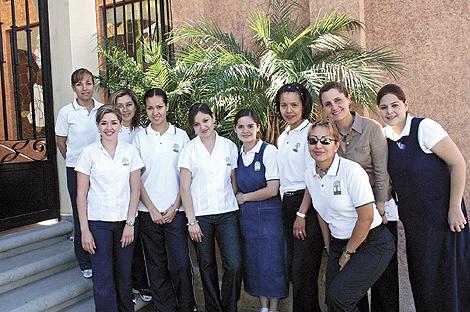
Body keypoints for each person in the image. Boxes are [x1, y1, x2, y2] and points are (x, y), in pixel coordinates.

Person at [376, 84, 470, 312]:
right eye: (384, 107)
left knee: (449, 280)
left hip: (445, 219)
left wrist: (455, 208)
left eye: (395, 105)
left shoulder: (425, 127)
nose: (390, 111)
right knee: (424, 281)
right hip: (416, 225)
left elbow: (458, 163)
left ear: (406, 105)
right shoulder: (385, 137)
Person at [319, 81, 398, 312]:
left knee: (385, 285)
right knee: (352, 288)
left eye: (338, 100)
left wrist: (380, 209)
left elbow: (382, 172)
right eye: (328, 103)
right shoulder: (328, 134)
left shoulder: (371, 128)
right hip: (347, 220)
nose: (334, 107)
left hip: (376, 217)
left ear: (348, 98)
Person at [303, 120, 395, 312]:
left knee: (340, 299)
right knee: (333, 300)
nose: (318, 145)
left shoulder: (351, 171)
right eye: (312, 141)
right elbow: (322, 212)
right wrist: (329, 246)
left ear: (336, 145)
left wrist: (348, 253)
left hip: (371, 242)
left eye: (325, 140)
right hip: (339, 242)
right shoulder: (309, 174)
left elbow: (366, 218)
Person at [133, 88, 197, 312]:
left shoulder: (181, 136)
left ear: (167, 107)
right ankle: (165, 308)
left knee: (179, 264)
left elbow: (186, 178)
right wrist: (150, 208)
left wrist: (176, 205)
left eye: (159, 107)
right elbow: (136, 179)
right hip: (147, 212)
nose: (155, 112)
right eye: (150, 108)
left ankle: (187, 307)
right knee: (156, 267)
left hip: (175, 212)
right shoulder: (139, 138)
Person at [75, 105, 143, 312]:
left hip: (125, 222)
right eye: (104, 123)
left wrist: (130, 223)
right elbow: (81, 195)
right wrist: (85, 231)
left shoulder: (130, 152)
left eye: (114, 123)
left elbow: (135, 189)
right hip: (98, 224)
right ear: (97, 126)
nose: (109, 127)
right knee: (103, 276)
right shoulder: (88, 153)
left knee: (124, 275)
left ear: (121, 125)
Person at [179, 103, 241, 312]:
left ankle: (229, 307)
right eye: (197, 124)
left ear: (213, 119)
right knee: (206, 266)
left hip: (227, 213)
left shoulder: (229, 146)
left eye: (205, 121)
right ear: (193, 128)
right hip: (201, 217)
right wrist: (192, 221)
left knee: (234, 264)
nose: (202, 127)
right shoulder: (189, 150)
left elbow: (233, 182)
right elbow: (185, 188)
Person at [275, 83, 324, 312]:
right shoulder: (282, 137)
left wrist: (302, 214)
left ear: (304, 105)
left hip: (306, 206)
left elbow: (312, 177)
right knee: (297, 275)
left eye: (294, 104)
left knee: (303, 274)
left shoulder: (309, 133)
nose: (289, 110)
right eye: (284, 105)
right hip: (287, 205)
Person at [233, 108, 288, 312]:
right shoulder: (237, 154)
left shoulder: (269, 151)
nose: (245, 130)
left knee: (272, 263)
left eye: (250, 126)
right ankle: (263, 307)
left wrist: (244, 198)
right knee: (255, 263)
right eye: (241, 127)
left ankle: (273, 308)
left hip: (269, 217)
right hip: (248, 220)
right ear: (236, 130)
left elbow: (273, 189)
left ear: (258, 127)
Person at [55, 68, 103, 279]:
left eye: (88, 83)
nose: (85, 88)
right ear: (74, 87)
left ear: (94, 85)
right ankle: (84, 260)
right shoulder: (67, 112)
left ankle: (100, 255)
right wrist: (75, 161)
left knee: (99, 211)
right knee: (79, 211)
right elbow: (60, 141)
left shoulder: (102, 109)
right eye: (79, 84)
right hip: (76, 169)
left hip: (100, 169)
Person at [109, 88, 152, 303]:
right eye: (120, 105)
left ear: (136, 107)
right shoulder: (112, 132)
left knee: (140, 245)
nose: (124, 109)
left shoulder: (144, 132)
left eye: (129, 105)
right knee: (125, 247)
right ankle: (127, 289)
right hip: (118, 196)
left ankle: (142, 283)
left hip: (142, 196)